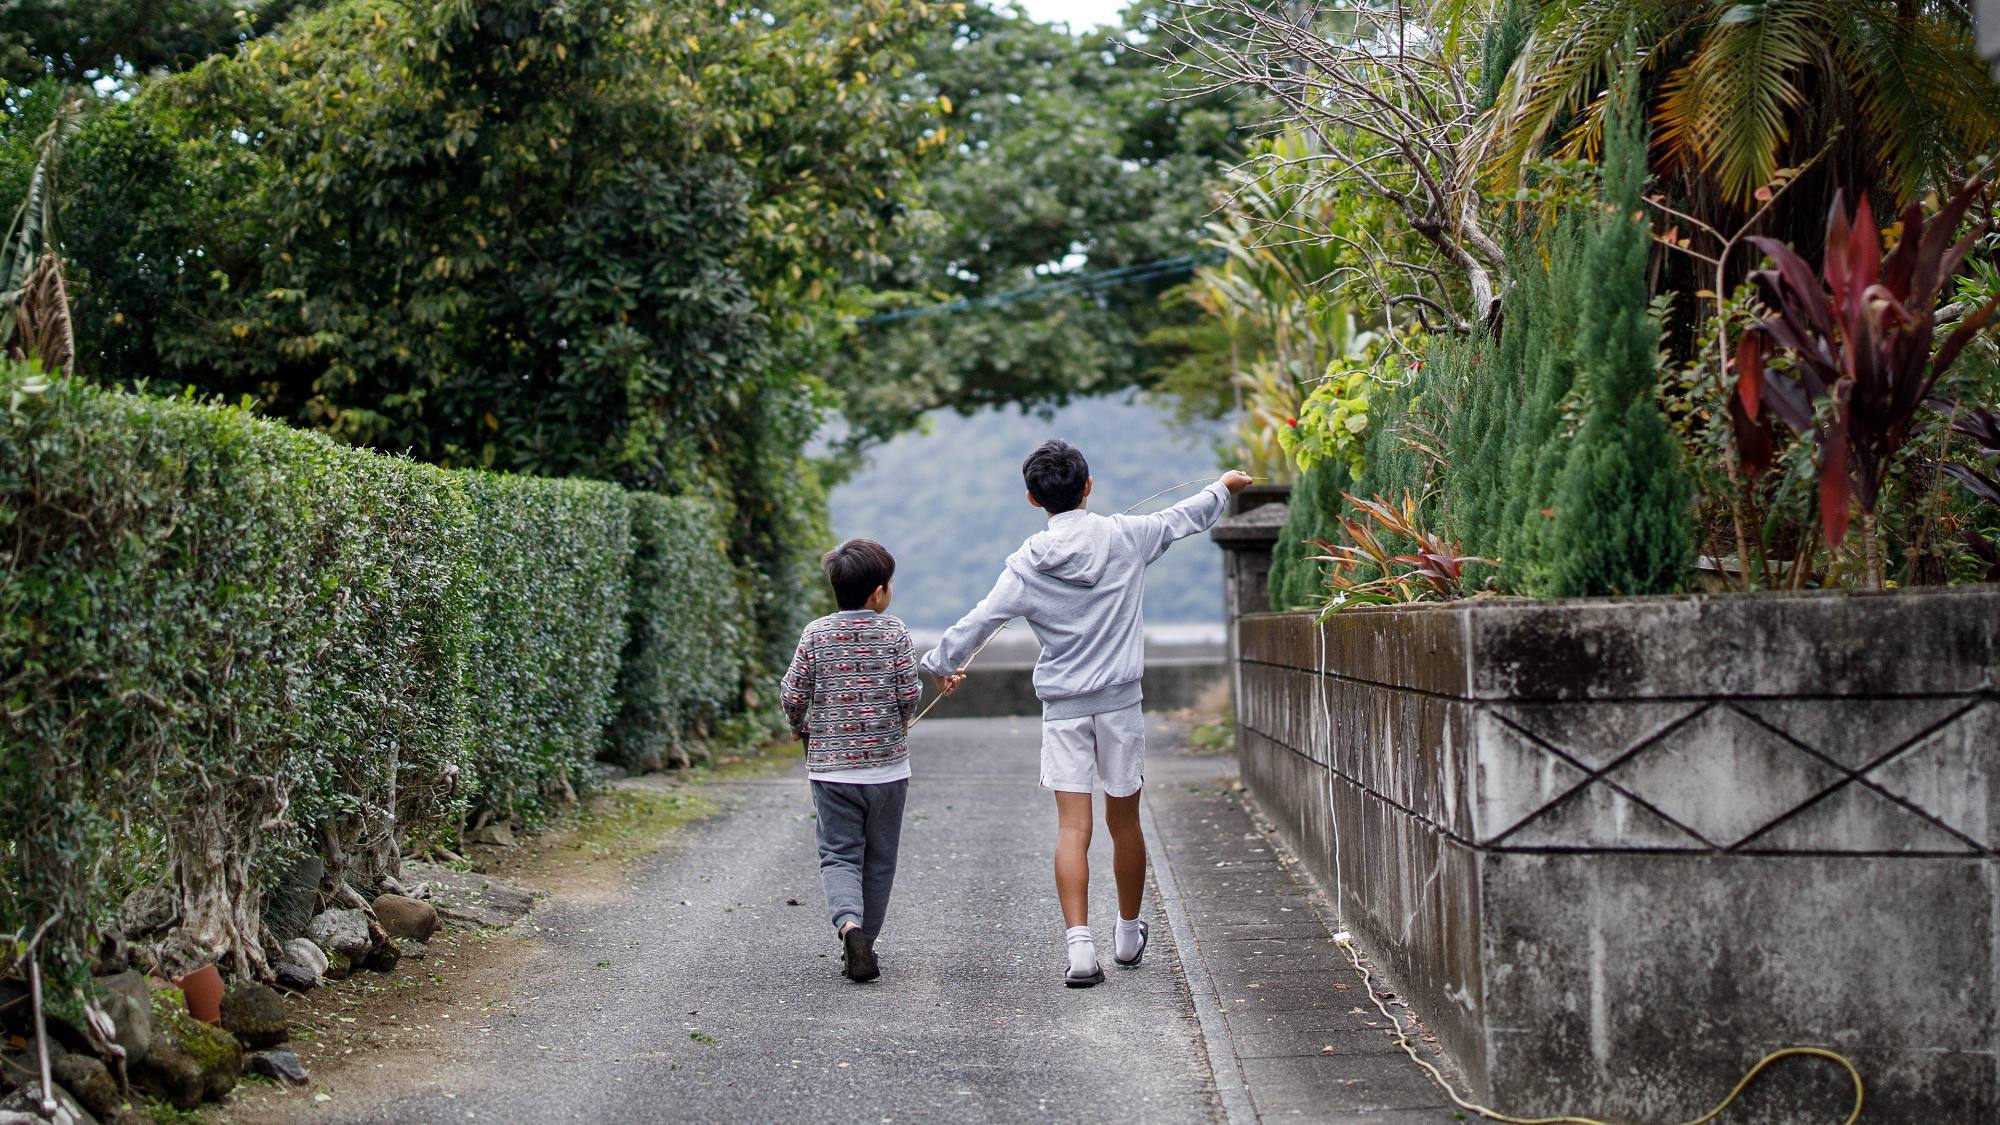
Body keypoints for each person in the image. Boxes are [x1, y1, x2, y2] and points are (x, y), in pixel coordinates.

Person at [922, 441, 1252, 986]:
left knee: (1073, 827)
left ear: (1032, 498)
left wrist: (940, 663)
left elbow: (979, 621)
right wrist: (1224, 487)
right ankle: (1127, 934)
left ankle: (1080, 950)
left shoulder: (1026, 565)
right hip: (1120, 706)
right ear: (1089, 485)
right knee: (1124, 822)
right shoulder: (1127, 536)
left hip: (1064, 710)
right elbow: (1182, 517)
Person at [781, 538, 936, 982]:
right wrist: (903, 718)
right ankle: (866, 938)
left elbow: (794, 693)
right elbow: (909, 692)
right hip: (888, 771)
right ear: (879, 593)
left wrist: (798, 725)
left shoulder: (815, 633)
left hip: (831, 771)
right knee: (880, 858)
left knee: (839, 854)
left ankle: (848, 925)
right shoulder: (895, 633)